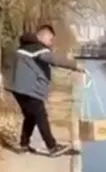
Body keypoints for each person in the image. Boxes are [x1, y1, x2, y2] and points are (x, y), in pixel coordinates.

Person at [9, 24, 84, 156]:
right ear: (43, 36)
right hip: (29, 89)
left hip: (20, 89)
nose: (50, 44)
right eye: (50, 40)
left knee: (30, 116)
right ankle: (52, 147)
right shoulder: (36, 48)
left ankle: (24, 144)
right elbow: (53, 59)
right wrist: (74, 65)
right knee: (40, 115)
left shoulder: (25, 46)